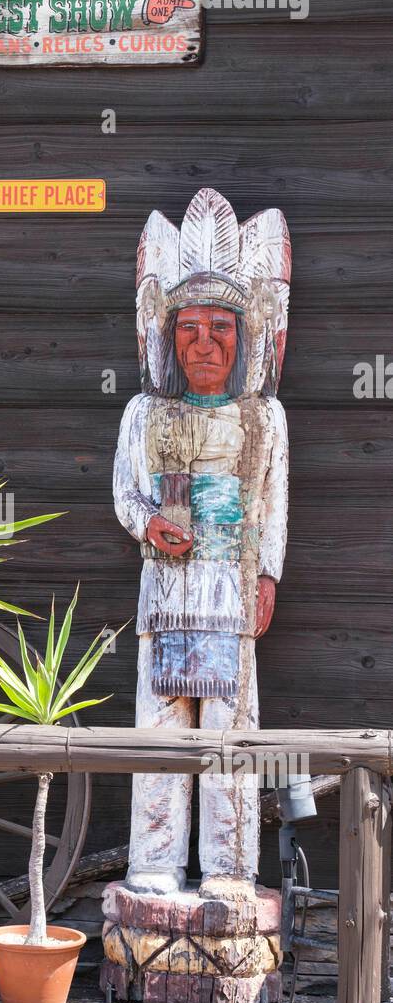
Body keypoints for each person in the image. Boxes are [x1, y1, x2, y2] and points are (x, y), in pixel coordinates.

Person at [113, 188, 290, 901]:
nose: (205, 343)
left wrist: (268, 573)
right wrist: (150, 522)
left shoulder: (264, 418)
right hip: (165, 598)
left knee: (230, 738)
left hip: (231, 593)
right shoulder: (145, 414)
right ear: (167, 335)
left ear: (246, 337)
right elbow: (128, 493)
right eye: (189, 328)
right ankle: (153, 861)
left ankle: (228, 866)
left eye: (221, 327)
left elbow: (271, 502)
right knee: (158, 734)